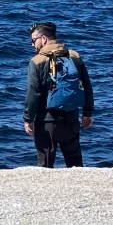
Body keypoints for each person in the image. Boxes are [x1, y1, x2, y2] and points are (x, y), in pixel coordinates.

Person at [22, 22, 94, 168]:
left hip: (46, 122)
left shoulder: (37, 61)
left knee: (45, 166)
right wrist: (87, 113)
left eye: (33, 40)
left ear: (43, 39)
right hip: (71, 119)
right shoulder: (74, 56)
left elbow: (33, 93)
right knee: (75, 164)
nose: (32, 45)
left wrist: (28, 118)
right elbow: (86, 86)